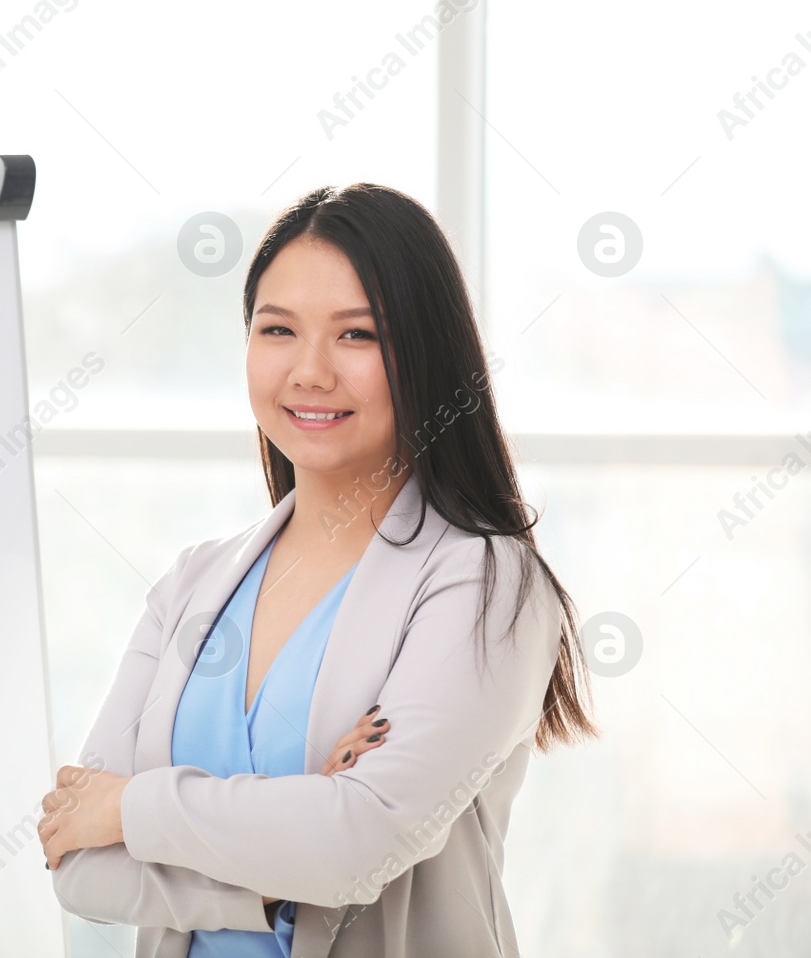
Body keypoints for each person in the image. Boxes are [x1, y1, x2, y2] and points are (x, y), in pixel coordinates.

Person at [37, 183, 598, 958]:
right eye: (277, 329)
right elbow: (78, 862)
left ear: (427, 355)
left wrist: (131, 805)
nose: (308, 371)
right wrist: (280, 855)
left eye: (357, 336)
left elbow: (357, 846)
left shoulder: (485, 585)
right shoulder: (193, 584)